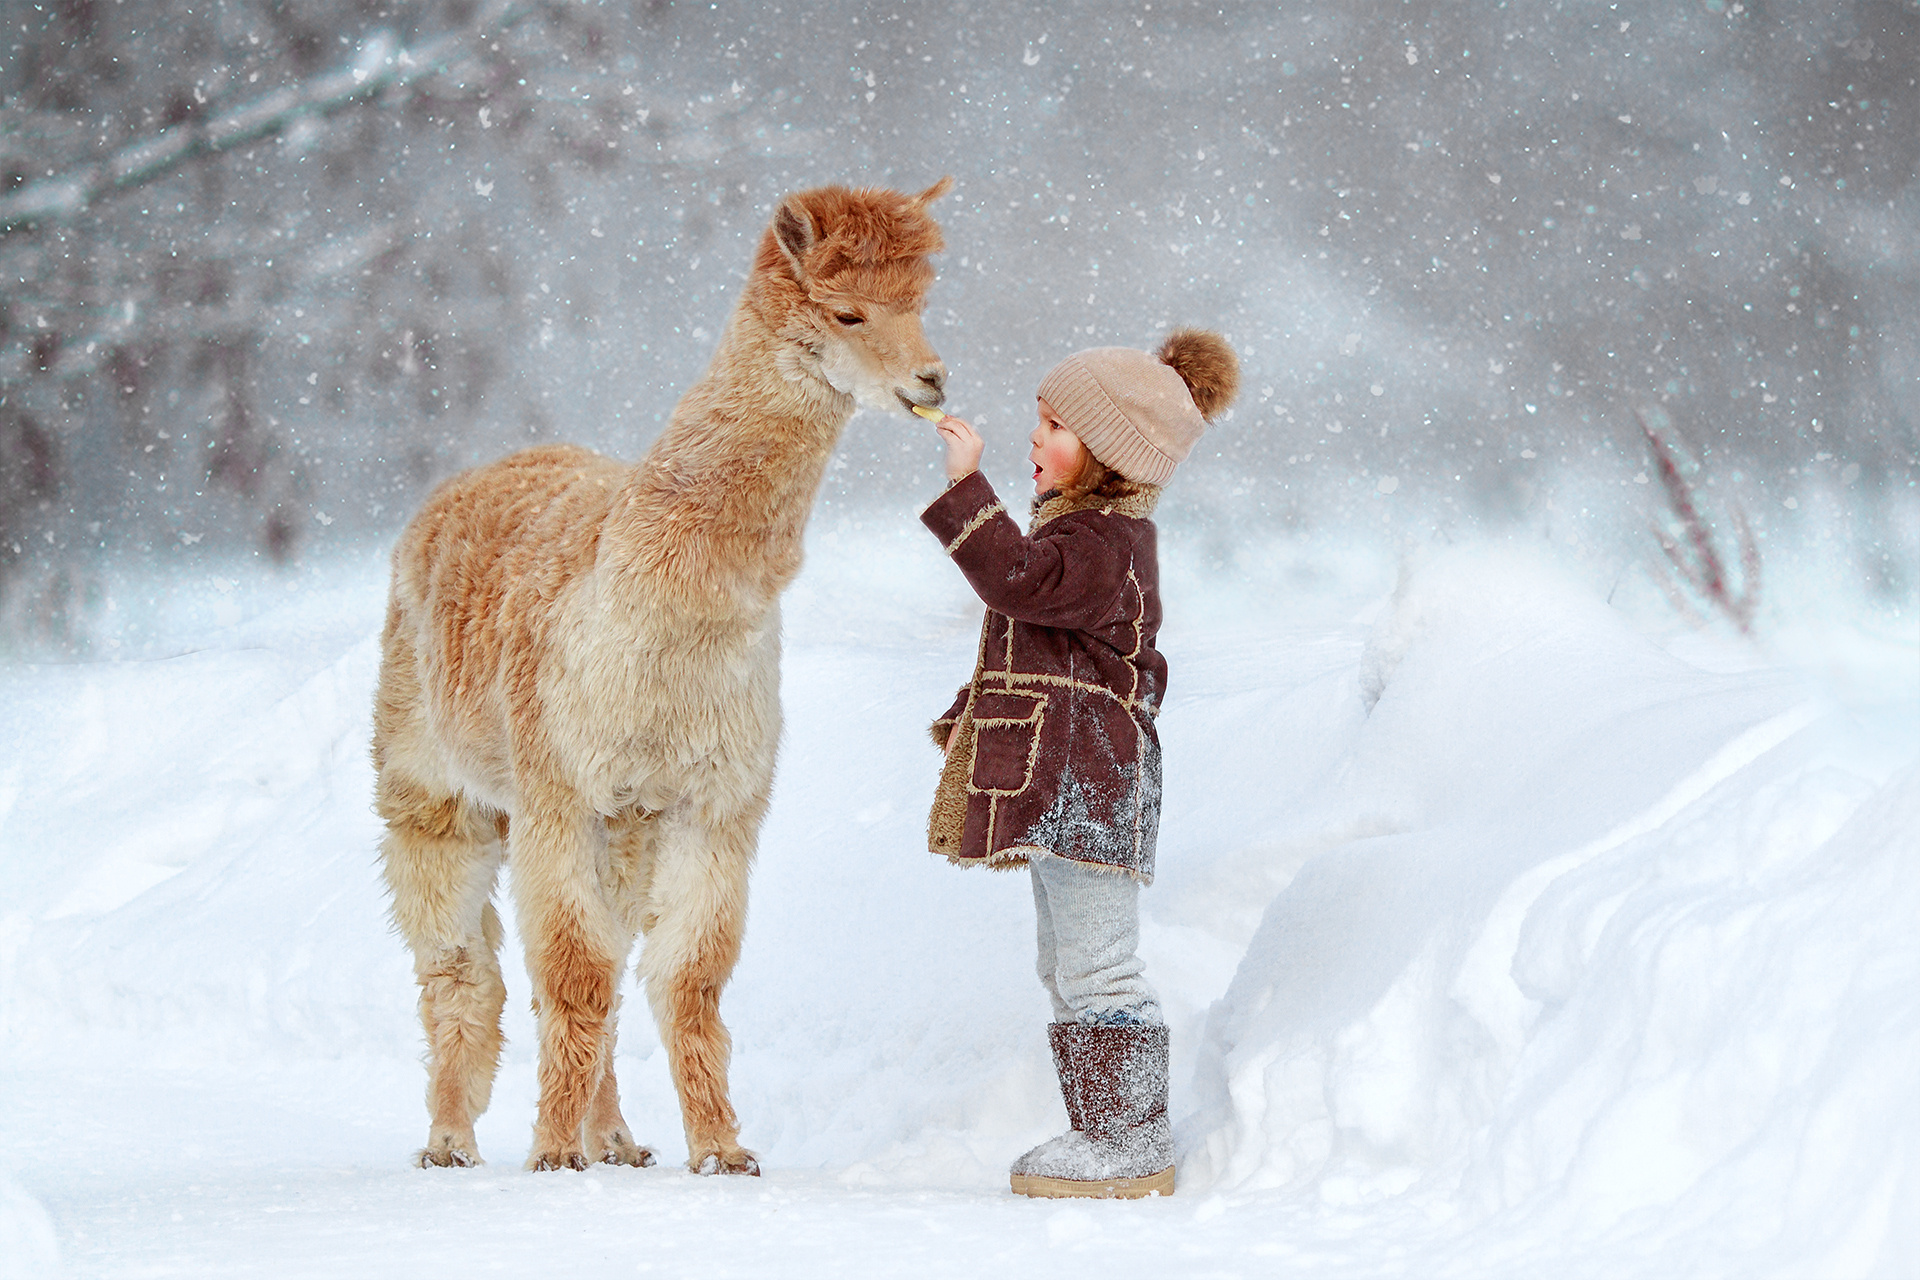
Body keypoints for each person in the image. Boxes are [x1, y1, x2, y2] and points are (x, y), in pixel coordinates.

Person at [919, 329, 1239, 1199]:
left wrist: (967, 489)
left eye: (1056, 425)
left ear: (1108, 455)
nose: (1036, 436)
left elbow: (1015, 581)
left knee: (1099, 965)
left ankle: (1129, 1138)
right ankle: (1103, 1131)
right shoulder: (1084, 536)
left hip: (1091, 782)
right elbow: (1034, 650)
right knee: (1065, 964)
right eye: (1040, 418)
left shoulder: (1103, 544)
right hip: (1070, 782)